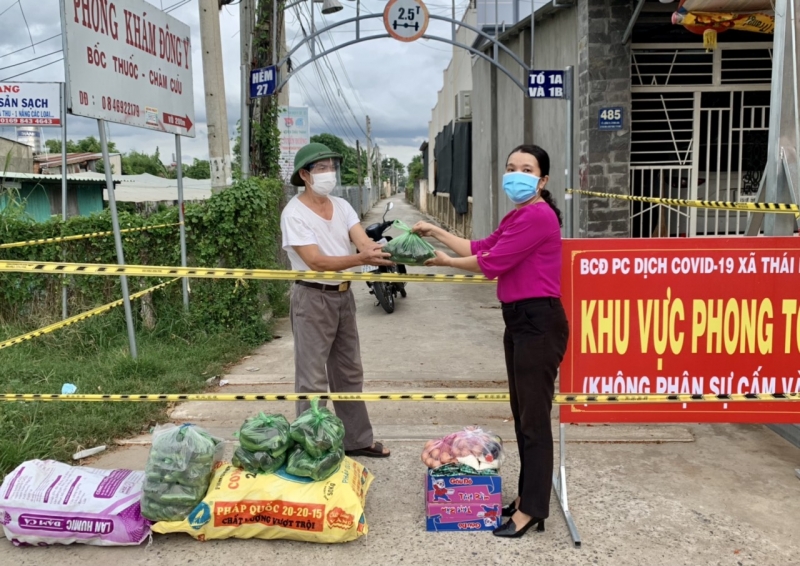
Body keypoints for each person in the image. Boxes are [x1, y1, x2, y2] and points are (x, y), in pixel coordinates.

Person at [413, 144, 569, 538]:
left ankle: (532, 510)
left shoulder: (538, 216)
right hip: (518, 321)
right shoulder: (519, 214)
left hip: (538, 322)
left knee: (534, 422)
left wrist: (446, 262)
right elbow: (480, 248)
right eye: (511, 167)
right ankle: (525, 498)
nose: (517, 174)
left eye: (527, 169)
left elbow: (491, 265)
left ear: (542, 179)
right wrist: (438, 233)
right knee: (522, 417)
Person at [280, 142, 392, 458]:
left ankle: (356, 440)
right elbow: (316, 261)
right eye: (321, 168)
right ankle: (310, 447)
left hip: (343, 296)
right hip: (312, 298)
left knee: (349, 372)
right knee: (312, 379)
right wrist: (361, 259)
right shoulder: (294, 213)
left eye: (332, 167)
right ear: (304, 174)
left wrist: (381, 250)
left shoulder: (342, 206)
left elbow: (361, 240)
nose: (329, 173)